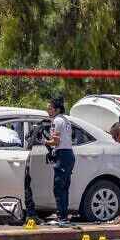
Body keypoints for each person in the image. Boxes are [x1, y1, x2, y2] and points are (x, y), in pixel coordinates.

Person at [44, 97, 75, 228]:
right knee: (64, 187)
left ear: (57, 109)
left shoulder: (56, 121)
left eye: (50, 109)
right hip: (69, 155)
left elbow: (56, 141)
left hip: (62, 155)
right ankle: (64, 216)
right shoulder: (66, 120)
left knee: (58, 187)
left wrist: (45, 141)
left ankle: (61, 217)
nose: (48, 111)